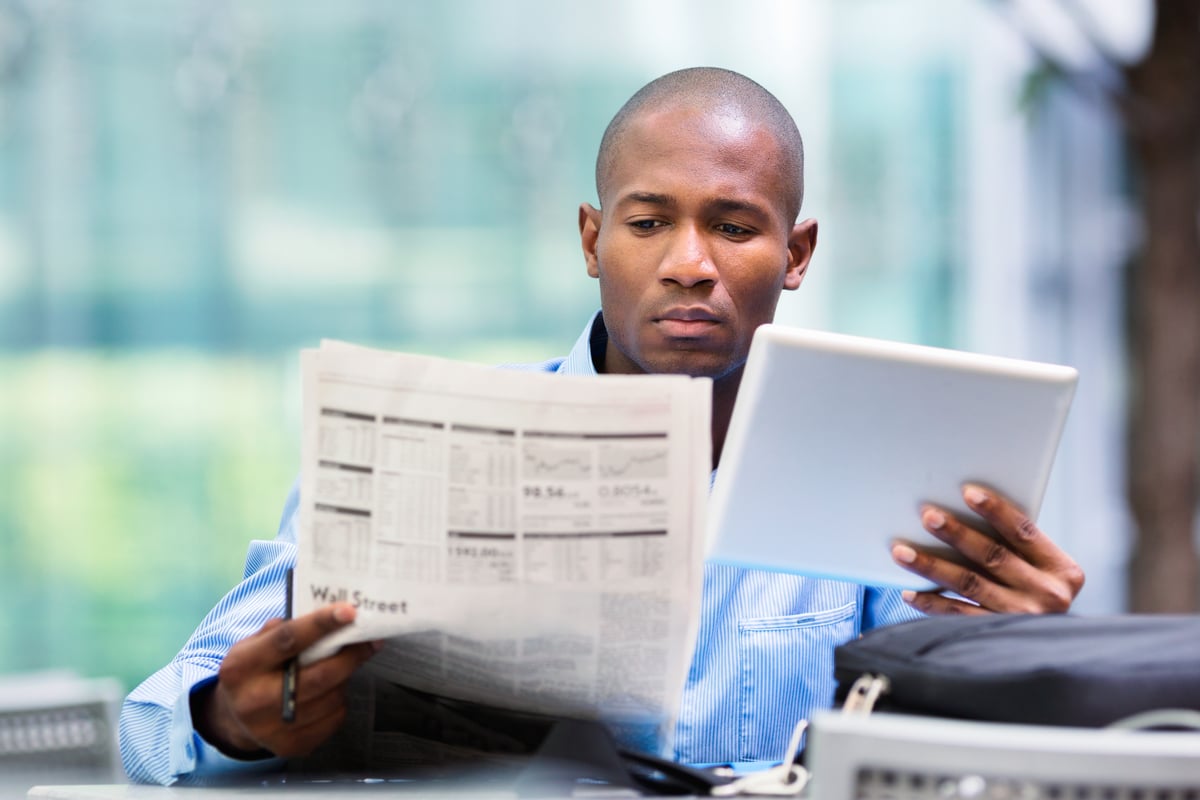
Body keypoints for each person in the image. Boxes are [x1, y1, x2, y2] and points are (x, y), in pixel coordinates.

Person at [119, 67, 1085, 785]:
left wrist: (1028, 665)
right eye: (649, 222)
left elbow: (958, 759)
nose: (690, 264)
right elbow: (154, 722)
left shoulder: (885, 474)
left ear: (796, 255)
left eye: (737, 228)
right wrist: (232, 717)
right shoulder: (431, 444)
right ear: (593, 239)